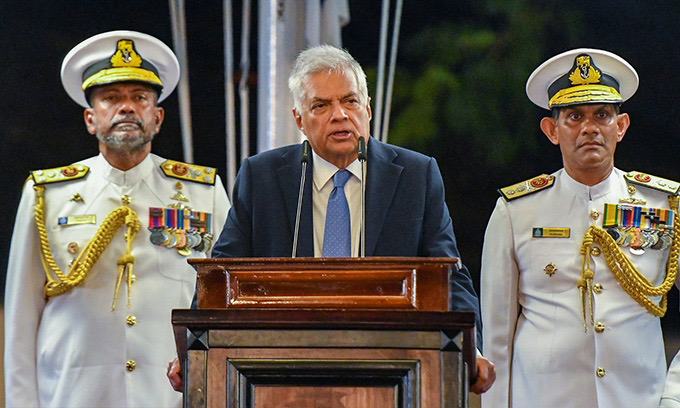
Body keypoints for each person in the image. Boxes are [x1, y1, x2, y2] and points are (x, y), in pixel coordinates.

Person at [167, 44, 496, 394]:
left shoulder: (416, 175)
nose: (340, 115)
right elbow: (220, 277)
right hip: (282, 373)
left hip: (392, 371)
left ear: (367, 109)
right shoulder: (261, 177)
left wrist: (470, 351)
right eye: (321, 106)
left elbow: (449, 276)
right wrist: (193, 353)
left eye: (350, 101)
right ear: (299, 119)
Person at [4, 30, 230, 407]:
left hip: (172, 397)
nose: (127, 108)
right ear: (91, 119)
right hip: (72, 397)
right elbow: (21, 319)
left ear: (157, 117)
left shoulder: (202, 193)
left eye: (139, 98)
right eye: (111, 98)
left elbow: (225, 302)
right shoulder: (47, 195)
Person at [480, 48, 679, 407]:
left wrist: (675, 395)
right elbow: (497, 337)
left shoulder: (665, 204)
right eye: (574, 116)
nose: (589, 127)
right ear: (552, 130)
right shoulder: (516, 212)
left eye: (602, 114)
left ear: (621, 126)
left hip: (640, 400)